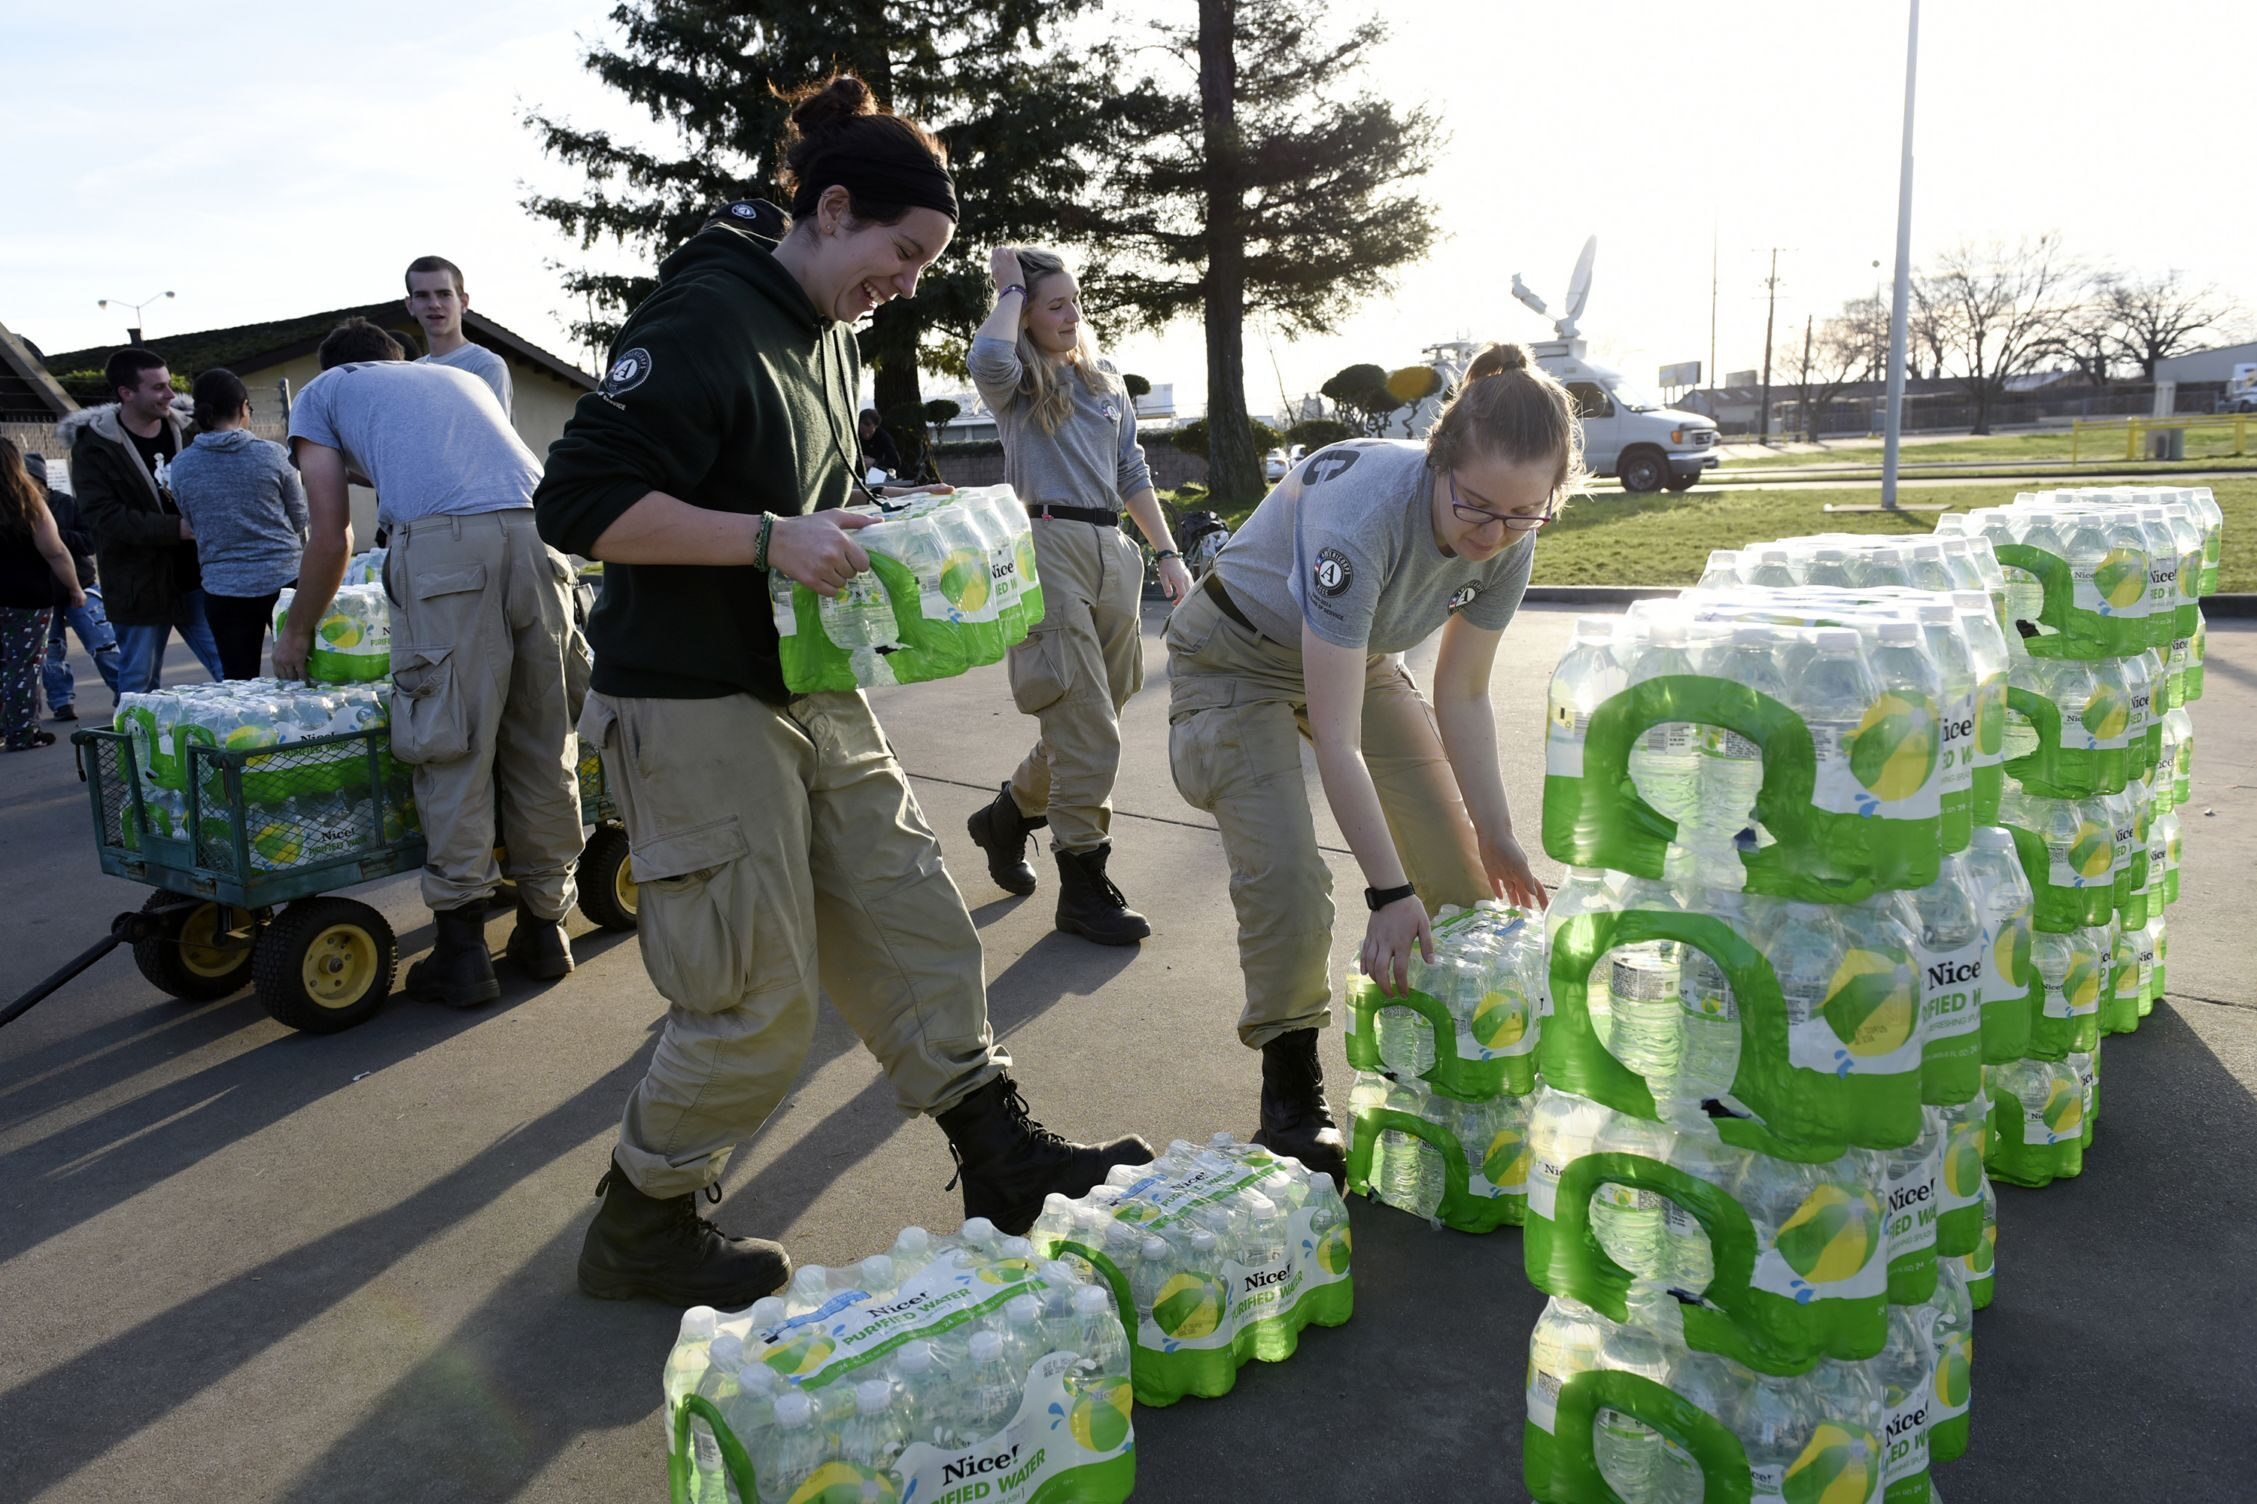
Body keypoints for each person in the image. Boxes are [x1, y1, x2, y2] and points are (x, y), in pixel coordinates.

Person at [534, 73, 1152, 1308]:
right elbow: (579, 503)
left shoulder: (823, 338)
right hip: (691, 696)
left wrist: (853, 524)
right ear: (828, 209)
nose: (910, 281)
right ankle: (643, 1219)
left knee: (914, 914)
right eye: (902, 251)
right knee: (756, 1000)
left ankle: (1001, 1157)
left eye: (926, 261)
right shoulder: (709, 312)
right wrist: (770, 538)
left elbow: (785, 504)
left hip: (807, 683)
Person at [1162, 342, 1566, 1185]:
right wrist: (1385, 893)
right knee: (1288, 875)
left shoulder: (1510, 528)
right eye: (1477, 508)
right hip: (1236, 652)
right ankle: (1290, 1088)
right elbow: (1337, 742)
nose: (1493, 535)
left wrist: (1498, 835)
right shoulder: (1363, 515)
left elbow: (1462, 696)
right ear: (1437, 458)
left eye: (1524, 514)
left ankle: (1453, 1069)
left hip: (1360, 652)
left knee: (1461, 878)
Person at [280, 316, 582, 1006]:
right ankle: (544, 929)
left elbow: (331, 537)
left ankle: (462, 951)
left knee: (452, 741)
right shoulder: (451, 377)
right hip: (544, 541)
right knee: (542, 740)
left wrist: (296, 633)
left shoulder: (321, 394)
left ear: (333, 368)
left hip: (448, 555)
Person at [961, 247, 1192, 944]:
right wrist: (1006, 288)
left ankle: (1006, 817)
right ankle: (1083, 886)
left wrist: (1166, 553)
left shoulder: (1104, 379)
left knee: (1099, 710)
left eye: (1073, 302)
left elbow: (1130, 468)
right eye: (1052, 304)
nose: (1070, 315)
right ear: (1024, 314)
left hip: (1109, 549)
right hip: (1045, 545)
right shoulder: (1017, 381)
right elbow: (987, 363)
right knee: (1083, 718)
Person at [66, 348, 223, 694]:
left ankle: (249, 742)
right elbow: (103, 515)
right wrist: (176, 529)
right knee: (139, 686)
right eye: (158, 388)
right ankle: (135, 749)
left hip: (198, 579)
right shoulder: (95, 447)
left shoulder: (191, 432)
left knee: (231, 670)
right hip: (139, 587)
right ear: (126, 393)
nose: (170, 395)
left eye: (168, 385)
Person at [166, 369, 308, 679]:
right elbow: (300, 517)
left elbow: (191, 520)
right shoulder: (272, 455)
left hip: (223, 587)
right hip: (284, 580)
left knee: (238, 682)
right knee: (303, 674)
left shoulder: (182, 465)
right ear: (244, 407)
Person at [0, 438, 86, 751]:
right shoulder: (28, 500)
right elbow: (55, 551)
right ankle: (22, 733)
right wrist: (75, 587)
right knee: (23, 665)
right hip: (28, 597)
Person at [29, 454, 123, 721]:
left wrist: (53, 535)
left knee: (103, 643)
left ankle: (125, 694)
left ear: (41, 481)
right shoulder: (17, 508)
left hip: (80, 585)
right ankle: (61, 703)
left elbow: (89, 542)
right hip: (42, 591)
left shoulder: (66, 503)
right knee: (50, 652)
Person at [405, 255, 513, 418]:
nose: (434, 304)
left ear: (463, 302)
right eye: (422, 295)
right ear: (410, 305)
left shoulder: (486, 366)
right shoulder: (409, 373)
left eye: (444, 294)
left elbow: (492, 439)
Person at [856, 407, 904, 479]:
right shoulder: (855, 435)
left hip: (878, 473)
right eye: (860, 424)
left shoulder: (883, 437)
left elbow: (895, 461)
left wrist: (874, 462)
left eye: (868, 424)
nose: (864, 428)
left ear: (875, 425)